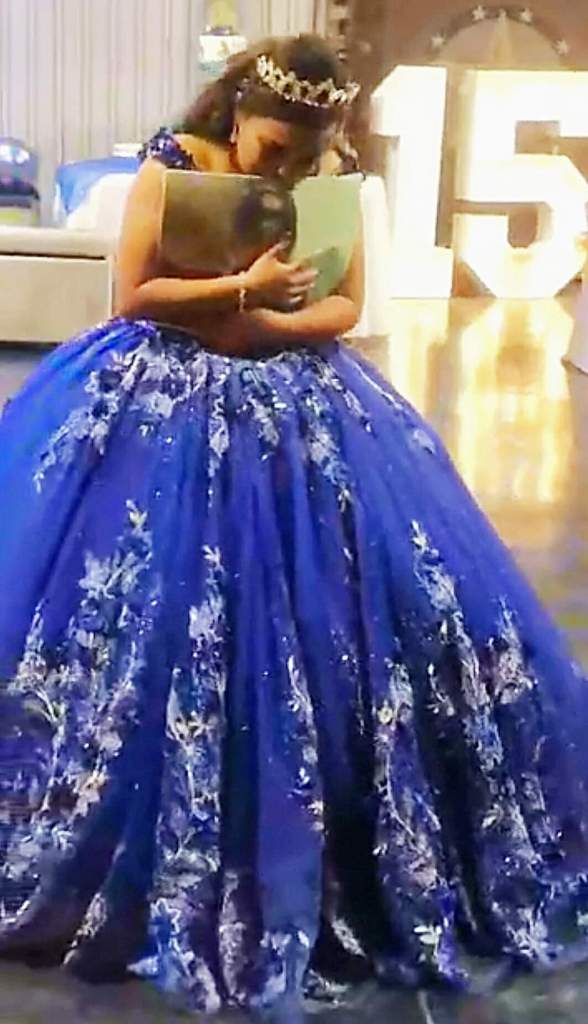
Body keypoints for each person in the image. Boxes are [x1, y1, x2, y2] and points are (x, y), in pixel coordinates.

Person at [1, 32, 588, 1023]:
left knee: (365, 605)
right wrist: (242, 292)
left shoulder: (329, 182)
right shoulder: (172, 164)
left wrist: (273, 321)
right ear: (239, 110)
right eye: (274, 148)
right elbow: (134, 295)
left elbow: (348, 305)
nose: (284, 169)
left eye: (303, 155)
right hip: (159, 397)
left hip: (299, 400)